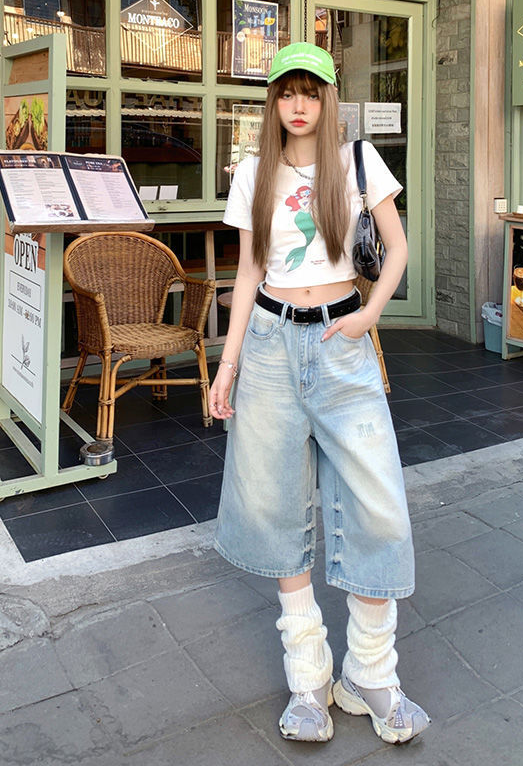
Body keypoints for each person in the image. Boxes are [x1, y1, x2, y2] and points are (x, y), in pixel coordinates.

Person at [210, 42, 430, 745]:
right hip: (272, 343)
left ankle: (370, 675)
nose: (298, 105)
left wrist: (370, 313)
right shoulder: (252, 173)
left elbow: (396, 249)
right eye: (285, 92)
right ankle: (309, 678)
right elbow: (247, 274)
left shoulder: (360, 164)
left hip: (343, 343)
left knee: (378, 503)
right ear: (272, 102)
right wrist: (227, 362)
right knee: (273, 502)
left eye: (310, 91)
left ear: (328, 97)